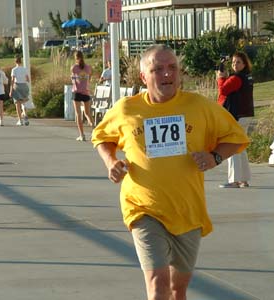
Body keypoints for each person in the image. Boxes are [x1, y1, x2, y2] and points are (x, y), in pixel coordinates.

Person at [91, 45, 250, 300]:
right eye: (158, 69)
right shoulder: (126, 109)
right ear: (144, 77)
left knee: (178, 290)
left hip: (187, 210)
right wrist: (111, 161)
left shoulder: (199, 106)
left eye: (172, 68)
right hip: (143, 208)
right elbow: (101, 137)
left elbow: (236, 137)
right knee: (158, 284)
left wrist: (215, 157)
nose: (167, 74)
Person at [217, 51, 254, 188]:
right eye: (233, 62)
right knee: (240, 147)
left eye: (238, 62)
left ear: (244, 64)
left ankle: (234, 180)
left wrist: (220, 78)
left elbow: (223, 90)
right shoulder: (246, 77)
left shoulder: (237, 78)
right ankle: (243, 179)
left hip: (237, 116)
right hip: (246, 115)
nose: (235, 64)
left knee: (232, 146)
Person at [70, 50, 94, 141]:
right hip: (86, 92)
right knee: (88, 114)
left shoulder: (74, 68)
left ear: (75, 58)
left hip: (77, 92)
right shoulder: (88, 67)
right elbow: (89, 79)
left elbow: (72, 79)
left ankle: (82, 135)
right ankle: (93, 130)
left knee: (78, 114)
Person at [9, 56, 30, 126]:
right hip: (24, 85)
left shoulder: (14, 70)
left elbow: (12, 80)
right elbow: (28, 79)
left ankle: (20, 120)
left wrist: (11, 90)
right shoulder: (25, 69)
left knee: (17, 104)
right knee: (23, 102)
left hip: (17, 86)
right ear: (21, 61)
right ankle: (24, 112)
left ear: (15, 62)